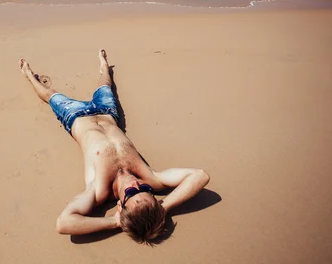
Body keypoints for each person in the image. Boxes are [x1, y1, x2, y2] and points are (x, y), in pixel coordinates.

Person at [19, 49, 210, 244]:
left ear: (120, 206)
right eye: (144, 189)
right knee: (105, 84)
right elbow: (200, 175)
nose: (136, 183)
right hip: (107, 113)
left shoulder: (99, 190)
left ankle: (29, 75)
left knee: (50, 95)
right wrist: (164, 207)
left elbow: (64, 223)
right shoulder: (152, 178)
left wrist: (113, 222)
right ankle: (104, 66)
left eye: (132, 192)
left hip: (75, 116)